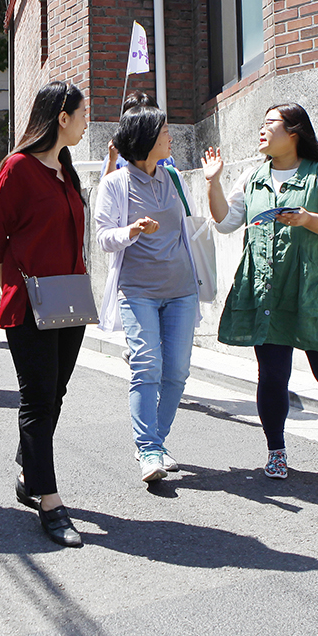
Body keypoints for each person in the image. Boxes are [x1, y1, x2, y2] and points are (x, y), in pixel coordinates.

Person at [205, 102, 318, 487]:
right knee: (271, 375)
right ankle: (276, 451)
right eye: (262, 124)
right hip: (266, 290)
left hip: (313, 287)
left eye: (270, 124)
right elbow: (225, 223)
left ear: (294, 131)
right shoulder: (252, 178)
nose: (261, 131)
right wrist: (212, 182)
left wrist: (306, 218)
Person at [0, 80, 89, 548]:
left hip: (69, 297)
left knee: (57, 393)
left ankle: (30, 472)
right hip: (30, 301)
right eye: (83, 113)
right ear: (61, 116)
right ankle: (49, 500)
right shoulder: (18, 168)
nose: (88, 121)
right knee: (38, 398)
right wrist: (11, 285)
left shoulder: (67, 169)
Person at [94, 106, 200, 484]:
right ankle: (149, 450)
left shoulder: (173, 177)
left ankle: (157, 440)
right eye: (164, 131)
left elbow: (186, 229)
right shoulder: (115, 185)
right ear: (146, 139)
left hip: (182, 290)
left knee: (177, 370)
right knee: (146, 365)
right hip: (137, 291)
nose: (170, 136)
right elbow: (104, 238)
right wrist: (132, 230)